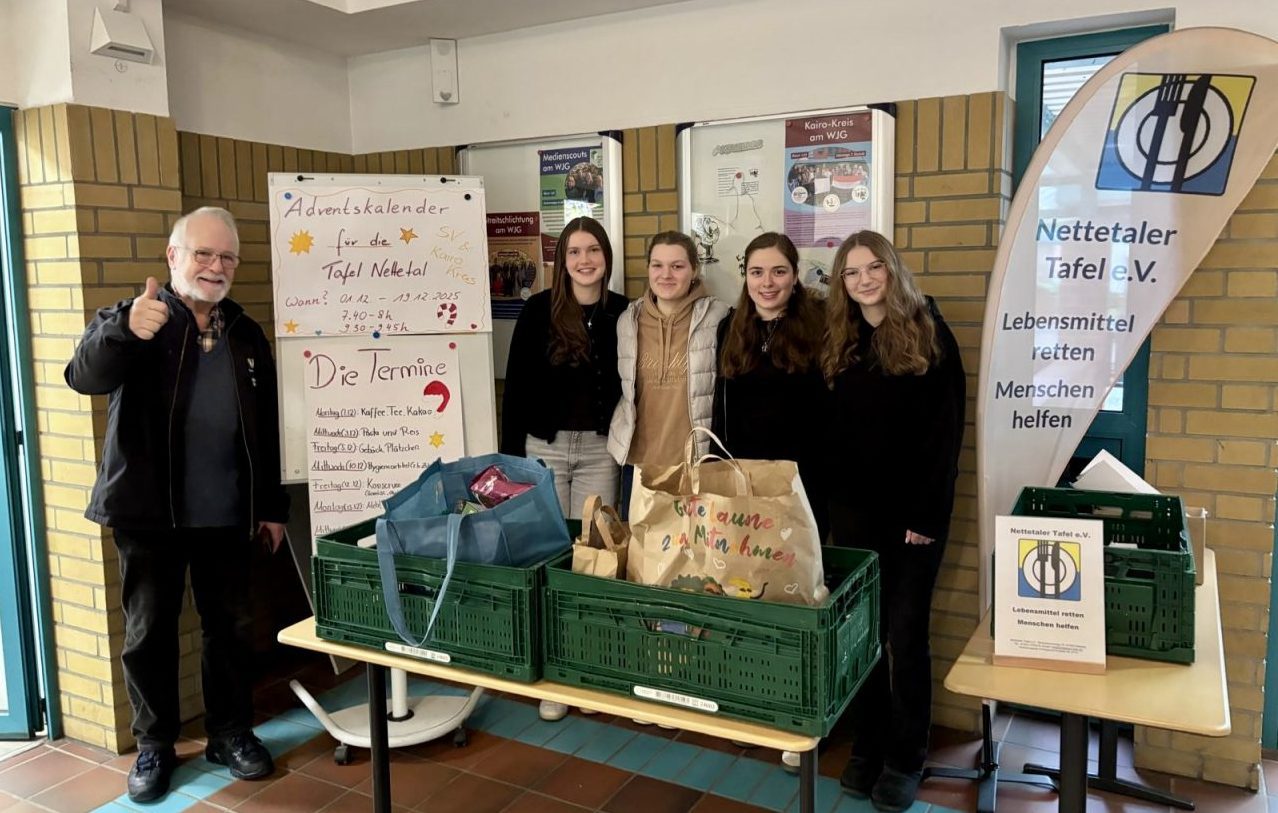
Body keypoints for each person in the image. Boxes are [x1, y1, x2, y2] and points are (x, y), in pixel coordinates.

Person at [64, 207, 288, 803]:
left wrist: (271, 506)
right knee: (149, 634)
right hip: (148, 516)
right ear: (173, 256)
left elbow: (266, 426)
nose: (216, 266)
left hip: (228, 514)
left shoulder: (244, 331)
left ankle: (230, 733)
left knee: (230, 630)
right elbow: (82, 376)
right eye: (203, 253)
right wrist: (123, 330)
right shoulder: (134, 318)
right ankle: (155, 745)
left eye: (227, 257)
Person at [822, 231, 965, 813]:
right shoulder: (840, 338)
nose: (864, 280)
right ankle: (868, 747)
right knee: (862, 638)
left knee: (904, 638)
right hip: (855, 516)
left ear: (892, 270)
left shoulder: (929, 331)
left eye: (873, 267)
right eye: (852, 272)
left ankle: (906, 758)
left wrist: (924, 515)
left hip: (913, 520)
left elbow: (944, 436)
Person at [500, 217, 627, 722]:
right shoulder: (537, 310)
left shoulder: (624, 312)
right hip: (544, 451)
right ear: (561, 261)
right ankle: (553, 673)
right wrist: (511, 459)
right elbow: (516, 386)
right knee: (549, 556)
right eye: (574, 252)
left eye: (593, 250)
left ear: (606, 257)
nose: (584, 260)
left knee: (594, 560)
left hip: (600, 452)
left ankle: (586, 665)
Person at [711, 232, 829, 540]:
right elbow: (721, 406)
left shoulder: (821, 326)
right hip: (742, 479)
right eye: (757, 272)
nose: (767, 283)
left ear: (795, 275)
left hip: (801, 483)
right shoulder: (729, 328)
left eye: (779, 271)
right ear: (746, 276)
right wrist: (716, 467)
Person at [608, 231, 730, 505]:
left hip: (695, 465)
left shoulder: (719, 317)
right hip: (639, 465)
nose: (666, 275)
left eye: (677, 266)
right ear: (648, 269)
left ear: (694, 270)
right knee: (636, 533)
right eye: (657, 265)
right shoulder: (628, 320)